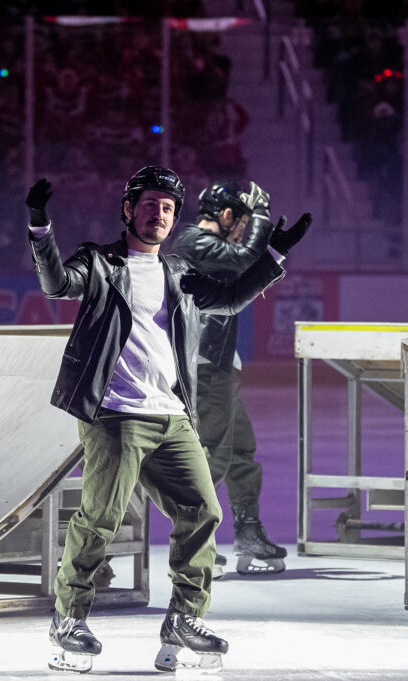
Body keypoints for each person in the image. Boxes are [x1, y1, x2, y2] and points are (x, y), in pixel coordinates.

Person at [25, 166, 303, 673]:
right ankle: (68, 618)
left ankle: (183, 618)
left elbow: (229, 298)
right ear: (129, 209)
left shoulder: (176, 271)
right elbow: (57, 284)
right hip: (116, 415)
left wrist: (274, 255)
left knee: (204, 513)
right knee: (102, 519)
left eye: (169, 208)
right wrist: (40, 226)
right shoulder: (101, 263)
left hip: (172, 416)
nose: (160, 214)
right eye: (151, 204)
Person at [172, 181, 311, 576]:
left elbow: (250, 266)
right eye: (243, 222)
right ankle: (195, 544)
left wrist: (269, 246)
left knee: (240, 452)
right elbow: (245, 259)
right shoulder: (191, 241)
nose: (242, 230)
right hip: (203, 366)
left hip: (220, 365)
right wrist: (264, 221)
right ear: (227, 215)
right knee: (213, 455)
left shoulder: (212, 249)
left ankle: (248, 531)